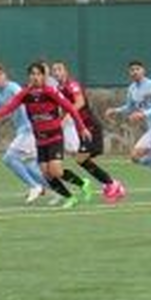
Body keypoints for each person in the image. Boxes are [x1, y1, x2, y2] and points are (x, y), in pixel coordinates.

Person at [0, 61, 91, 210]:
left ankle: (82, 183)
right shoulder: (25, 94)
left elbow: (71, 108)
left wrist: (81, 128)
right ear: (29, 77)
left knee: (55, 171)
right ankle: (70, 197)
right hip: (40, 139)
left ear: (43, 76)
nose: (35, 77)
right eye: (32, 74)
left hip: (55, 136)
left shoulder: (50, 92)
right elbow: (10, 107)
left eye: (38, 74)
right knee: (46, 174)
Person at [50, 60, 126, 202]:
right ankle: (110, 184)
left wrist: (67, 114)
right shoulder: (58, 90)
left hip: (91, 127)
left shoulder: (72, 85)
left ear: (66, 71)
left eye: (59, 69)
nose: (57, 72)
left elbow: (80, 102)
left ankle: (113, 184)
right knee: (81, 159)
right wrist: (59, 121)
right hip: (82, 129)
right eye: (54, 70)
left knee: (81, 159)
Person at [104, 60, 151, 193]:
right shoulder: (132, 89)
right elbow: (130, 107)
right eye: (132, 70)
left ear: (143, 71)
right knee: (135, 157)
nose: (135, 72)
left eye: (137, 69)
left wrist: (143, 114)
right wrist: (116, 110)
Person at [0, 63, 44, 204]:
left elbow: (23, 101)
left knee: (9, 158)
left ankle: (34, 186)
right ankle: (58, 190)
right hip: (22, 131)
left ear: (5, 76)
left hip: (30, 129)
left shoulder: (13, 88)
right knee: (29, 165)